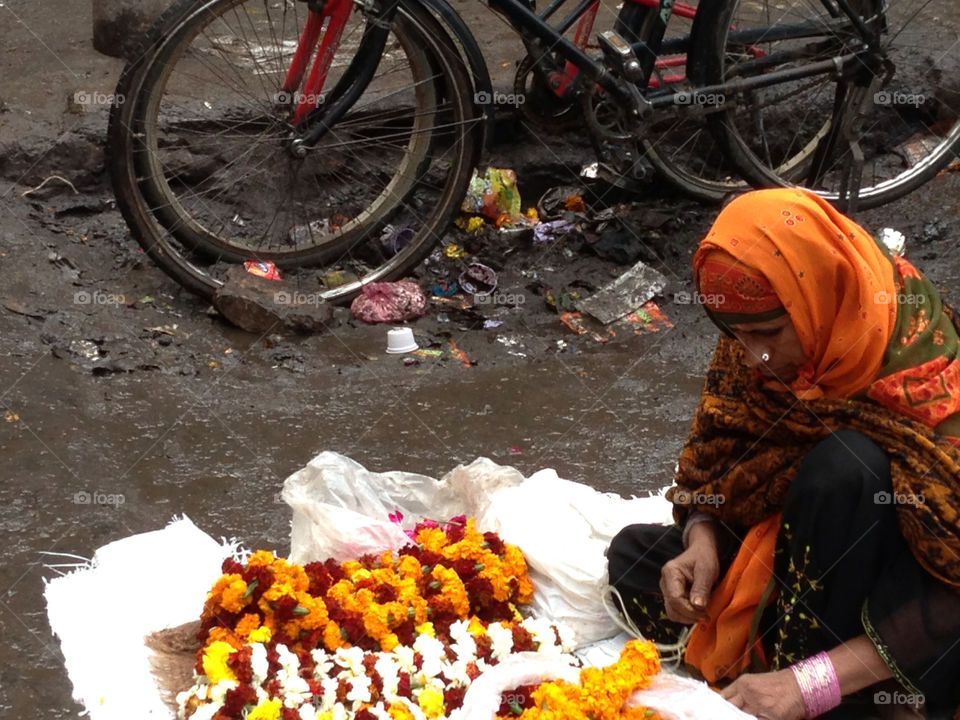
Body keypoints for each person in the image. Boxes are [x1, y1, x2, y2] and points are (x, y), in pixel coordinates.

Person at [607, 188, 960, 720]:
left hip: (891, 601)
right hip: (798, 558)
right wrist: (701, 537)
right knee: (632, 557)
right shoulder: (756, 336)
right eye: (736, 334)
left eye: (768, 332)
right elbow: (720, 456)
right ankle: (779, 665)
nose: (754, 355)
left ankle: (835, 688)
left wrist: (809, 683)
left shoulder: (923, 362)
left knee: (843, 468)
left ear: (817, 297)